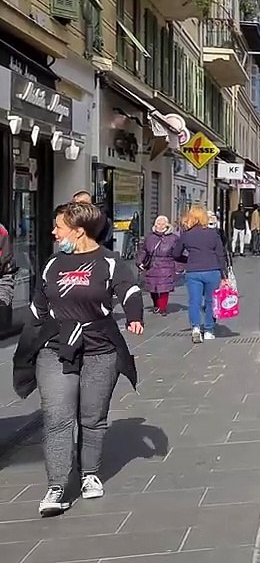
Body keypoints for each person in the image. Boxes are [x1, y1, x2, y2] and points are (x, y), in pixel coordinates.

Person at [11, 202, 143, 516]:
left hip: (100, 347)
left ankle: (89, 475)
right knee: (57, 417)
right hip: (56, 349)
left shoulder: (110, 261)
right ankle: (56, 486)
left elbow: (130, 289)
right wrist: (32, 338)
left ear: (78, 230)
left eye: (58, 226)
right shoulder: (52, 263)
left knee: (92, 417)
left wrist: (135, 315)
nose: (53, 232)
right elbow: (38, 307)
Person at [177, 205, 229, 344]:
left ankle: (195, 328)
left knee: (194, 301)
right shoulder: (213, 234)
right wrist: (224, 275)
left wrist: (187, 260)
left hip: (193, 271)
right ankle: (209, 331)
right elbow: (220, 254)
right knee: (211, 301)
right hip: (212, 270)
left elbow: (175, 253)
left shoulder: (186, 234)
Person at [140, 215, 181, 316]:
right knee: (152, 288)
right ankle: (156, 305)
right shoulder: (150, 237)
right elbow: (143, 251)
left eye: (163, 223)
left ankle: (162, 308)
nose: (160, 226)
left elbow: (178, 253)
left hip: (166, 266)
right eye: (158, 223)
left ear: (167, 225)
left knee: (164, 289)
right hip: (152, 266)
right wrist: (140, 261)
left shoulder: (173, 238)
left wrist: (179, 267)